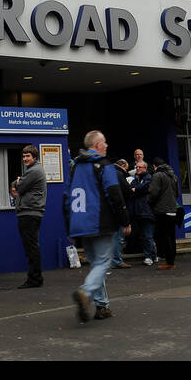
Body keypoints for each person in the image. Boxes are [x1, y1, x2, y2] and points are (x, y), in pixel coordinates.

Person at [64, 130, 131, 322]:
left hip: (80, 222)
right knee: (103, 263)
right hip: (100, 221)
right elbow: (114, 194)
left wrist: (70, 226)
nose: (107, 145)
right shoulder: (104, 165)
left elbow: (67, 197)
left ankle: (102, 306)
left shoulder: (75, 166)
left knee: (96, 265)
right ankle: (85, 293)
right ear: (97, 145)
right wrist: (125, 220)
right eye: (104, 142)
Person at [11, 145, 47, 287]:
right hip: (30, 212)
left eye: (28, 156)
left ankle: (35, 279)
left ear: (34, 157)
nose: (25, 159)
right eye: (24, 156)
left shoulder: (34, 171)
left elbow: (18, 187)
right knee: (31, 246)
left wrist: (19, 182)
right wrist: (19, 182)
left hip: (29, 213)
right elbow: (17, 185)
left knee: (31, 247)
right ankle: (35, 277)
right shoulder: (33, 170)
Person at [147, 156, 181, 269]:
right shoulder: (173, 176)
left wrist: (149, 202)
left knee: (164, 236)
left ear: (155, 166)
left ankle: (168, 262)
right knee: (171, 236)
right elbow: (177, 194)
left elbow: (153, 193)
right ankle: (171, 261)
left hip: (162, 211)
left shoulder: (157, 175)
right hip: (172, 210)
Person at [127, 160, 158, 265]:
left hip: (146, 212)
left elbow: (144, 187)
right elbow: (131, 189)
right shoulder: (136, 178)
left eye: (140, 167)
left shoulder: (148, 177)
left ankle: (149, 257)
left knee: (147, 235)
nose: (137, 169)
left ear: (145, 168)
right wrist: (135, 189)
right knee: (145, 236)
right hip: (138, 212)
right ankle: (153, 256)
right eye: (136, 167)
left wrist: (136, 189)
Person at [111, 159, 134, 268]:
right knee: (118, 237)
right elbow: (126, 192)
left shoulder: (107, 172)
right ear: (122, 166)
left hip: (107, 210)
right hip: (117, 210)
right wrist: (131, 188)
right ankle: (117, 261)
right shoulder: (119, 174)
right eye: (126, 168)